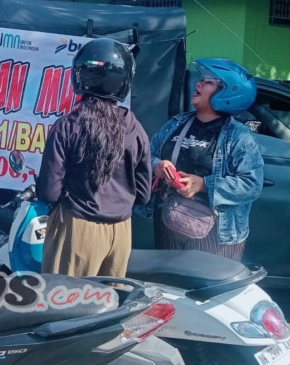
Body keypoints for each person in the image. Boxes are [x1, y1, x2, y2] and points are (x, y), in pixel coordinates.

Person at [37, 38, 152, 277]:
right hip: (120, 234)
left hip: (77, 228)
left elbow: (49, 192)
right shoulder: (136, 128)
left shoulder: (67, 126)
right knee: (109, 305)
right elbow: (143, 194)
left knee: (64, 306)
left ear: (80, 75)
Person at [150, 58, 263, 260]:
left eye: (208, 82)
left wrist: (203, 184)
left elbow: (251, 184)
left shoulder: (239, 136)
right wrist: (157, 165)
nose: (198, 84)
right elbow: (146, 157)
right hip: (169, 221)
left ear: (229, 91)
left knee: (208, 289)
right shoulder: (176, 124)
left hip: (215, 234)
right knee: (168, 285)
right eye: (201, 80)